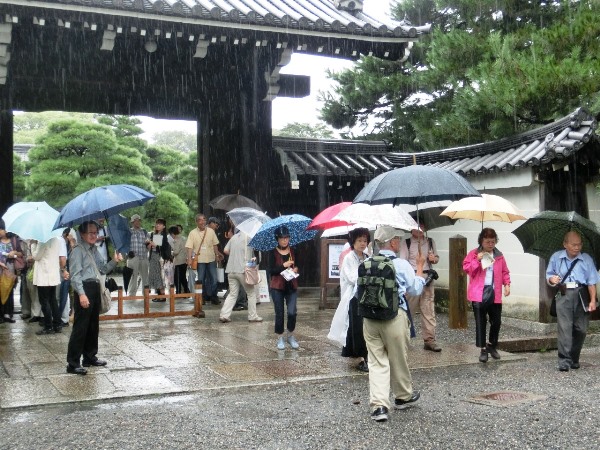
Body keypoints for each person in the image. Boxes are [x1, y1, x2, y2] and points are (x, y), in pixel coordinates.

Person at [365, 226, 426, 422]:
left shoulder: (366, 262)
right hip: (394, 316)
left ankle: (379, 407)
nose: (399, 242)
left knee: (376, 362)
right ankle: (402, 396)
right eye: (398, 239)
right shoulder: (400, 264)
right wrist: (419, 269)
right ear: (392, 242)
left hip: (370, 318)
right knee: (398, 357)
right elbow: (415, 290)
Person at [66, 220, 122, 375]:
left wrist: (114, 261)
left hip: (95, 287)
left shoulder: (93, 250)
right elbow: (75, 276)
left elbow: (103, 269)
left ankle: (90, 356)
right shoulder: (77, 250)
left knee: (93, 325)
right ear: (82, 234)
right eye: (90, 232)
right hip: (84, 289)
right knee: (81, 327)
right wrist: (82, 294)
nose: (93, 235)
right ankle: (72, 363)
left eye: (95, 232)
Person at [546, 230, 598, 372]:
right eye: (574, 244)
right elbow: (549, 275)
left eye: (579, 244)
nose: (577, 247)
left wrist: (593, 300)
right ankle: (564, 360)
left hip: (582, 294)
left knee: (581, 329)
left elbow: (592, 282)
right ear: (565, 244)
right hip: (563, 294)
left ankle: (574, 357)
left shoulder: (586, 259)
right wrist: (552, 279)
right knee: (564, 328)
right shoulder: (557, 257)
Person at [463, 228, 511, 363]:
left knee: (496, 321)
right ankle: (483, 349)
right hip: (478, 292)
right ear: (481, 241)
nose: (490, 244)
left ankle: (492, 345)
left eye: (493, 241)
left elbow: (504, 271)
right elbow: (467, 269)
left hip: (494, 292)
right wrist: (477, 260)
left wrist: (507, 284)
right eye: (487, 241)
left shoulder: (499, 255)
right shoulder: (474, 253)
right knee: (480, 322)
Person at [328, 227, 370, 372]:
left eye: (365, 240)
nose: (362, 243)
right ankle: (361, 357)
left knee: (364, 327)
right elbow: (352, 278)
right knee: (357, 328)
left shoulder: (367, 257)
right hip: (354, 297)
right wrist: (366, 276)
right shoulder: (349, 258)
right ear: (353, 241)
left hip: (366, 296)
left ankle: (363, 355)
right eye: (359, 240)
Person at [399, 222, 441, 352]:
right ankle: (402, 338)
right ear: (411, 228)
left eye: (422, 226)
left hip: (428, 278)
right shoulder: (406, 243)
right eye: (416, 226)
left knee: (428, 310)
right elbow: (403, 261)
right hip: (412, 278)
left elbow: (436, 258)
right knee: (407, 310)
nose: (419, 230)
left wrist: (433, 258)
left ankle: (430, 340)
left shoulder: (430, 241)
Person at [218, 229, 263, 323]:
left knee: (232, 294)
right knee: (251, 293)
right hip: (243, 270)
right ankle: (252, 316)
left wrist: (235, 255)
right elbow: (257, 250)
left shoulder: (233, 237)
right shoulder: (250, 238)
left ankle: (224, 315)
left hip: (231, 269)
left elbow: (226, 250)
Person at [268, 225, 300, 350]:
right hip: (277, 287)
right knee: (279, 313)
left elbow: (299, 264)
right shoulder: (272, 252)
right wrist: (283, 265)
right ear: (277, 239)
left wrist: (296, 268)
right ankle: (280, 337)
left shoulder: (294, 250)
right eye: (282, 238)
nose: (284, 240)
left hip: (291, 285)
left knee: (292, 312)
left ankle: (291, 335)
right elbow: (271, 270)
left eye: (286, 238)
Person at [32, 236, 67, 335]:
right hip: (53, 274)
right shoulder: (56, 239)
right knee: (53, 300)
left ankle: (48, 326)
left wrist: (33, 244)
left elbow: (36, 256)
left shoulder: (42, 240)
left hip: (44, 275)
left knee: (44, 301)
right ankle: (57, 324)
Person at [186, 214, 224, 305]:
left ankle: (214, 296)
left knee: (214, 279)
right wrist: (189, 259)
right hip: (200, 259)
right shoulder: (192, 233)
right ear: (196, 222)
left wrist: (217, 254)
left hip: (211, 258)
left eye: (204, 220)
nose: (203, 222)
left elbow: (215, 244)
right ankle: (201, 297)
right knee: (201, 279)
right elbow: (189, 247)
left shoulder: (211, 231)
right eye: (200, 220)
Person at [0, 221, 23, 323]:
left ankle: (8, 314)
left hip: (10, 268)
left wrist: (15, 253)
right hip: (1, 267)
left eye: (1, 229)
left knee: (9, 290)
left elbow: (21, 254)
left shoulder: (14, 240)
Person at [126, 214, 149, 296]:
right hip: (133, 257)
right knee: (133, 276)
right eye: (136, 220)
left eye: (139, 220)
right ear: (132, 222)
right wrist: (127, 253)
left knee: (145, 277)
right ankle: (131, 294)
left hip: (143, 256)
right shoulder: (128, 231)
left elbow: (149, 243)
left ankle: (145, 293)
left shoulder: (145, 231)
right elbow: (124, 244)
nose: (138, 222)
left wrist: (148, 245)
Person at [148, 218, 170, 301]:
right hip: (152, 256)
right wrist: (149, 243)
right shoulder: (154, 234)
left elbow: (163, 248)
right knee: (154, 275)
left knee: (158, 276)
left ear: (164, 226)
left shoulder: (164, 236)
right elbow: (152, 247)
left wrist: (155, 245)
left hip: (158, 257)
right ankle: (159, 294)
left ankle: (162, 295)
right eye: (157, 223)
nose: (157, 225)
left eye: (160, 224)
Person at [169, 226, 189, 296]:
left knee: (177, 278)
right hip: (184, 260)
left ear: (172, 233)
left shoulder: (177, 240)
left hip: (178, 261)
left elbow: (176, 252)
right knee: (183, 277)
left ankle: (178, 292)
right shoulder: (183, 238)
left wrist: (171, 252)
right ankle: (187, 291)